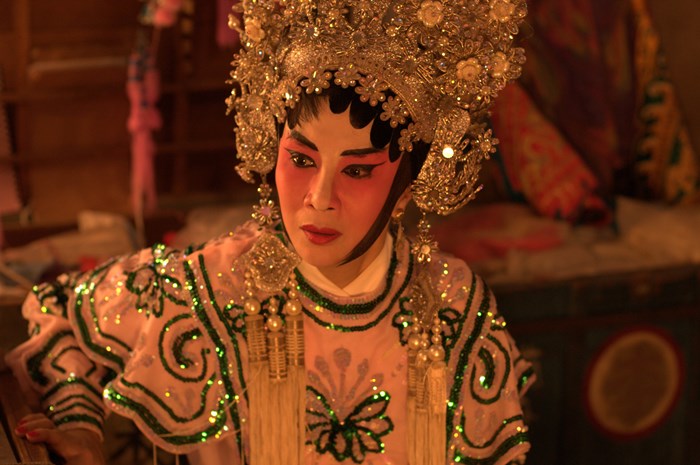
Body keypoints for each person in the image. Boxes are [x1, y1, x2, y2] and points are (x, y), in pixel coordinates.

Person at [5, 0, 534, 464]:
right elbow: (60, 314)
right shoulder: (212, 285)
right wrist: (81, 424)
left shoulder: (453, 306)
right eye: (301, 160)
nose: (319, 198)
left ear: (407, 190)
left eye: (357, 170)